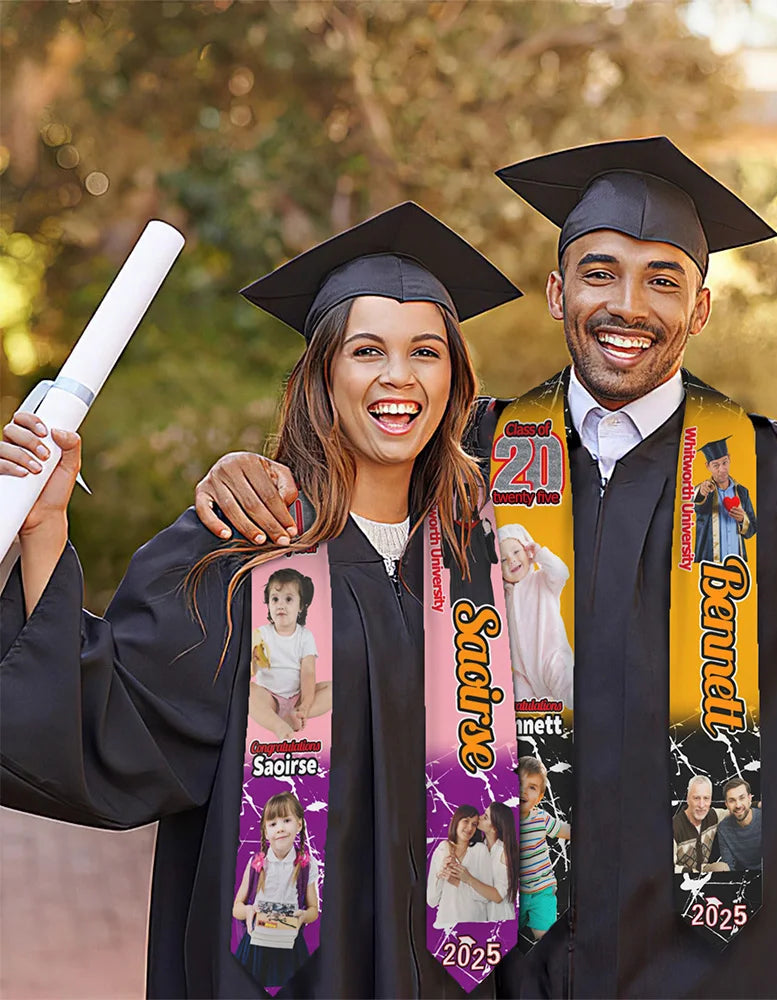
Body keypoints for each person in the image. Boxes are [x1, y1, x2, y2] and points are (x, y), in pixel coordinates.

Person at [187, 136, 777, 998]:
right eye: (600, 271)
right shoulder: (456, 466)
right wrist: (254, 473)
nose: (628, 305)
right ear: (557, 291)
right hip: (496, 967)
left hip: (720, 974)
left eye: (663, 280)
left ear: (701, 310)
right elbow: (328, 522)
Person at [0, 202, 521, 998]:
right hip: (278, 973)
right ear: (323, 374)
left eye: (425, 352)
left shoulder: (490, 562)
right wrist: (43, 529)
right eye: (366, 350)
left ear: (454, 380)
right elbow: (107, 719)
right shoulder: (241, 551)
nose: (398, 377)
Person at [232, 790, 319, 983]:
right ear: (265, 830)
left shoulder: (305, 864)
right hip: (257, 947)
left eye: (286, 820)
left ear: (299, 824)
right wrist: (248, 911)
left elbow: (314, 910)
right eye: (272, 824)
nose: (279, 828)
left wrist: (304, 916)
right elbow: (236, 907)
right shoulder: (257, 863)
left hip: (290, 945)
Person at [497, 523, 574, 707]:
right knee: (517, 711)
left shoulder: (542, 580)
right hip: (523, 673)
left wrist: (540, 554)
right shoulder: (503, 596)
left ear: (527, 550)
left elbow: (562, 572)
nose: (512, 561)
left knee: (571, 692)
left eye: (516, 552)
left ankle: (588, 722)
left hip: (552, 658)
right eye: (503, 560)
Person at [251, 567, 331, 738]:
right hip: (269, 698)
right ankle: (277, 724)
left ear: (301, 606)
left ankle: (297, 715)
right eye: (275, 599)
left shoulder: (305, 636)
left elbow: (308, 673)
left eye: (288, 599)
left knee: (334, 688)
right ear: (268, 604)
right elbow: (252, 671)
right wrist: (253, 661)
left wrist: (306, 704)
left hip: (297, 696)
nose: (280, 605)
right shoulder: (262, 634)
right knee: (247, 691)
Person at [517, 756, 571, 940]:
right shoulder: (503, 819)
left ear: (539, 797)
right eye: (519, 782)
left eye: (532, 787)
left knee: (545, 936)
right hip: (514, 895)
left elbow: (563, 830)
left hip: (542, 889)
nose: (523, 791)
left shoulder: (541, 818)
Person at [426, 805, 494, 926]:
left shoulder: (480, 850)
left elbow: (486, 896)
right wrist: (439, 876)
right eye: (466, 821)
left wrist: (458, 882)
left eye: (474, 824)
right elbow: (432, 901)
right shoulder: (441, 850)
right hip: (446, 925)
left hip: (475, 924)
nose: (469, 828)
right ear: (456, 821)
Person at [692, 436, 756, 562]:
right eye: (716, 465)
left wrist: (743, 519)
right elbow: (697, 505)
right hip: (710, 564)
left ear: (730, 459)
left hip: (737, 564)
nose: (722, 469)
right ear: (707, 466)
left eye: (725, 462)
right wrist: (702, 492)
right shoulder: (704, 490)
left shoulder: (742, 492)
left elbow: (752, 529)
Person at [672, 775, 722, 874]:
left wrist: (757, 804)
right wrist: (691, 873)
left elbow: (736, 810)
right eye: (696, 798)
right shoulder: (674, 827)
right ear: (687, 799)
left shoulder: (713, 815)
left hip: (703, 871)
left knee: (721, 867)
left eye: (706, 798)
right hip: (683, 879)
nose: (702, 805)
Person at [477, 802, 518, 921]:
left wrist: (468, 878)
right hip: (483, 918)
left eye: (485, 817)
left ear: (494, 828)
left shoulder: (503, 853)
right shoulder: (480, 847)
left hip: (501, 919)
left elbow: (498, 896)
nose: (479, 817)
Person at [715, 778, 762, 873]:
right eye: (732, 800)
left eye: (742, 798)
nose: (738, 805)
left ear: (749, 798)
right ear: (726, 804)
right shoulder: (723, 828)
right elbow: (728, 865)